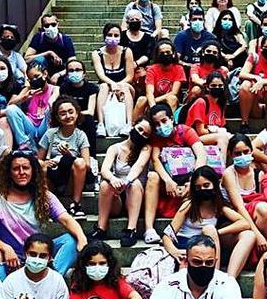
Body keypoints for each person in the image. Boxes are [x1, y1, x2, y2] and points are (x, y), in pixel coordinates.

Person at [0, 151, 88, 278]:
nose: (21, 172)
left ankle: (51, 280)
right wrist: (5, 248)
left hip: (37, 253)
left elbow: (66, 219)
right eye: (16, 169)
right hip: (11, 257)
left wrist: (82, 239)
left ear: (33, 171)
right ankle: (6, 293)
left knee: (71, 240)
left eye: (25, 168)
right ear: (9, 173)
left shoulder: (43, 195)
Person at [163, 166, 255, 277]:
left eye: (206, 185)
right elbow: (167, 235)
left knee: (249, 235)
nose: (202, 190)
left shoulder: (218, 207)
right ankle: (214, 276)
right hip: (187, 244)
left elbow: (245, 223)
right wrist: (174, 251)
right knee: (209, 229)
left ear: (214, 185)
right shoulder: (189, 205)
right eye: (198, 187)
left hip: (208, 245)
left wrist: (218, 232)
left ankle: (230, 278)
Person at [144, 103, 207, 244]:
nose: (161, 126)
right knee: (152, 176)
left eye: (164, 121)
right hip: (168, 185)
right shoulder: (157, 138)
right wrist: (167, 181)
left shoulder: (185, 131)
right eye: (157, 124)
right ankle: (149, 229)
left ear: (172, 119)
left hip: (189, 181)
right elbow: (155, 160)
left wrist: (192, 181)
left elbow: (201, 154)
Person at [93, 117, 152, 247]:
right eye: (140, 129)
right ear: (133, 126)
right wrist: (113, 180)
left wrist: (127, 181)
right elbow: (104, 170)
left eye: (145, 134)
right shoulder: (115, 148)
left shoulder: (146, 148)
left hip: (136, 197)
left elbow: (139, 166)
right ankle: (101, 228)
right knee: (104, 184)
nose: (141, 134)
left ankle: (131, 229)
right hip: (118, 198)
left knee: (134, 183)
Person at [37, 96, 92, 216]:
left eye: (70, 112)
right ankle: (46, 205)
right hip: (53, 176)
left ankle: (76, 204)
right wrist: (45, 163)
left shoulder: (81, 135)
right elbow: (37, 160)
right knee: (41, 167)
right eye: (63, 113)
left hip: (72, 179)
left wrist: (69, 156)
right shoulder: (50, 134)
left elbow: (87, 165)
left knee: (80, 162)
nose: (67, 116)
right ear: (57, 117)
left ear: (77, 113)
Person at [221, 134, 267, 256]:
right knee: (261, 209)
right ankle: (257, 250)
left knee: (265, 210)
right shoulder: (229, 174)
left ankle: (263, 251)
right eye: (238, 154)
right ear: (230, 154)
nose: (243, 156)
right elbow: (239, 207)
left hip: (253, 218)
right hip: (233, 220)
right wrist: (258, 235)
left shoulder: (258, 174)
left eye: (246, 152)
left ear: (251, 151)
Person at [5, 61, 59, 151]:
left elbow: (53, 100)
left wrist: (51, 101)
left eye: (37, 76)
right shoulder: (28, 90)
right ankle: (24, 144)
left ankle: (47, 147)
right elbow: (10, 106)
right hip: (30, 125)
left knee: (51, 109)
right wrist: (24, 97)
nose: (34, 80)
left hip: (45, 124)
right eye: (31, 78)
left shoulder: (54, 88)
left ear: (45, 74)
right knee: (11, 109)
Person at [132, 39, 186, 122]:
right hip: (153, 100)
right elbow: (149, 92)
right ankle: (132, 126)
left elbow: (174, 92)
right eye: (162, 52)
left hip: (167, 101)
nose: (165, 54)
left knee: (172, 98)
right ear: (157, 54)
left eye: (168, 52)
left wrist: (155, 101)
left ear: (174, 53)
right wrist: (153, 107)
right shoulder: (152, 69)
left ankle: (171, 124)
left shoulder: (179, 68)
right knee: (142, 99)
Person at [185, 71, 231, 162]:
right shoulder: (201, 102)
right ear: (207, 87)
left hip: (210, 138)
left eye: (220, 86)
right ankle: (221, 168)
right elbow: (200, 131)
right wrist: (215, 130)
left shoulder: (220, 105)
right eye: (213, 86)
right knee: (222, 138)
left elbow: (222, 126)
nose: (217, 88)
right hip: (194, 138)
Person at [58, 58, 99, 157]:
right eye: (71, 70)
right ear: (67, 74)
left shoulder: (91, 88)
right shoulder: (64, 88)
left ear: (84, 73)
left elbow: (90, 111)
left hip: (84, 119)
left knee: (89, 120)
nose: (74, 72)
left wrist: (75, 115)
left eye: (78, 70)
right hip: (69, 118)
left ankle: (91, 157)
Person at [92, 22, 137, 113]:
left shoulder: (127, 51)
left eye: (116, 35)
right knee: (104, 86)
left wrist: (118, 85)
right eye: (109, 35)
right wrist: (112, 84)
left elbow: (130, 76)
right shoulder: (96, 54)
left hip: (124, 84)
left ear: (120, 37)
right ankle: (101, 123)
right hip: (106, 85)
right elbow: (101, 75)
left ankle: (128, 122)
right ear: (104, 36)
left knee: (124, 87)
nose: (113, 38)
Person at [25, 14, 75, 79]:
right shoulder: (38, 38)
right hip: (42, 74)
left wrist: (58, 75)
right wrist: (48, 53)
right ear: (43, 27)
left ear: (57, 24)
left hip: (61, 73)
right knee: (39, 60)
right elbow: (27, 59)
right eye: (47, 25)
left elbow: (73, 63)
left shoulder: (65, 40)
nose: (50, 27)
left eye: (53, 24)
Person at [122, 9, 156, 89]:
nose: (135, 21)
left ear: (142, 21)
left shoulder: (148, 38)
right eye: (132, 20)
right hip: (124, 67)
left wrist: (136, 63)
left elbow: (147, 54)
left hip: (141, 68)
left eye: (137, 19)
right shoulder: (121, 36)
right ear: (127, 22)